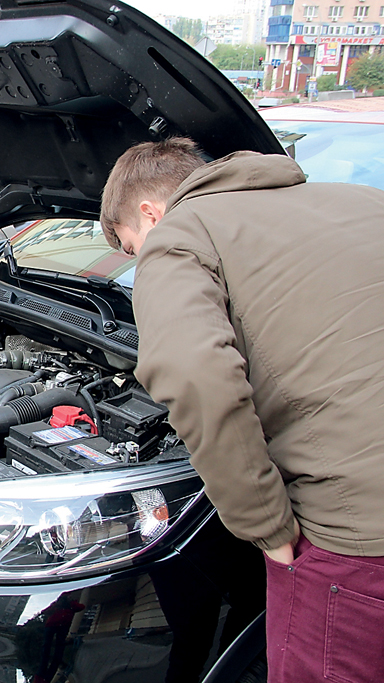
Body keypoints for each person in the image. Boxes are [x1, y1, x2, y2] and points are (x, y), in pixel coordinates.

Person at [99, 137, 384, 683]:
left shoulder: (181, 233)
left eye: (133, 250)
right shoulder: (363, 200)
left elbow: (192, 372)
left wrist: (267, 529)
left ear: (150, 213)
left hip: (355, 536)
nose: (139, 264)